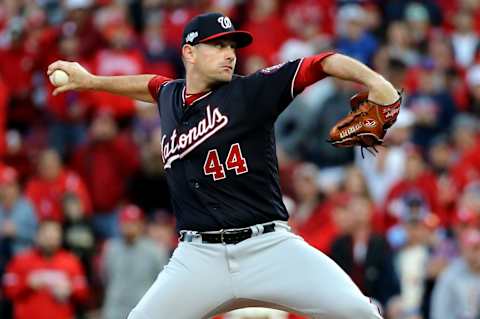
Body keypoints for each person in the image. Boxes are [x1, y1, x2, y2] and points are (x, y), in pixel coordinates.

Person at [47, 12, 399, 319]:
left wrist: (376, 82)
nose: (230, 54)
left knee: (357, 312)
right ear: (189, 53)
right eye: (218, 46)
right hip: (198, 256)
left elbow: (322, 62)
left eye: (232, 46)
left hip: (268, 247)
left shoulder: (252, 92)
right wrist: (91, 81)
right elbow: (149, 85)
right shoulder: (171, 96)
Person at [2, 220, 89, 319]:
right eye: (46, 236)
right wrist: (27, 284)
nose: (50, 240)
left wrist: (70, 289)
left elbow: (84, 292)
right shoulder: (20, 260)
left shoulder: (71, 261)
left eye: (54, 236)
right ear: (37, 236)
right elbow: (7, 289)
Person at [101, 205, 169, 319]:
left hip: (143, 310)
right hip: (114, 309)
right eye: (126, 223)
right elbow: (105, 278)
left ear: (141, 225)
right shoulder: (111, 248)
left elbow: (163, 283)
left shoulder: (155, 250)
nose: (129, 227)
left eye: (133, 223)